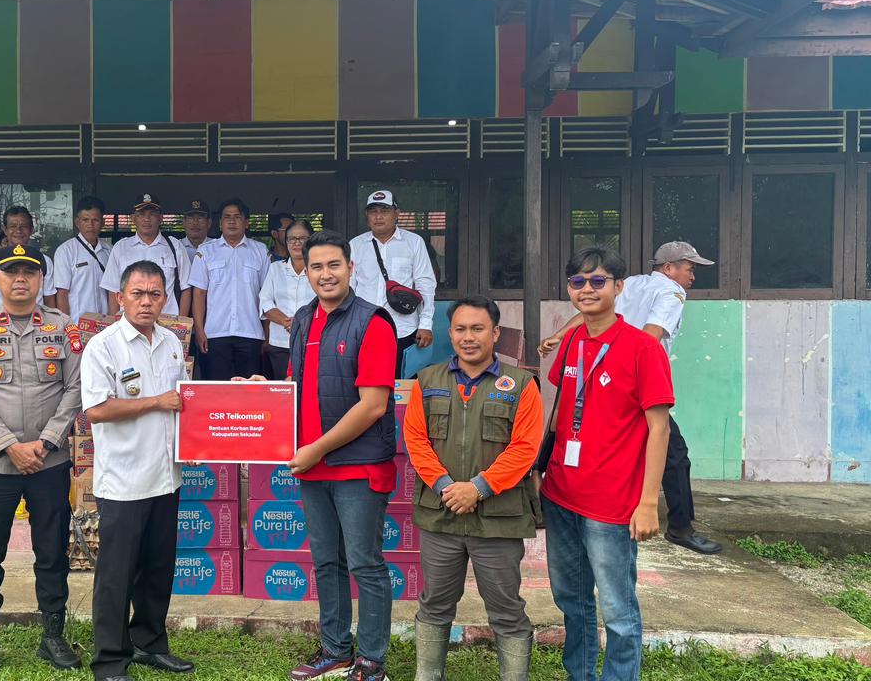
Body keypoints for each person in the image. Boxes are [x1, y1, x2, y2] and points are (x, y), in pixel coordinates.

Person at [541, 246, 673, 681]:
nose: (587, 289)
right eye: (578, 281)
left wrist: (648, 503)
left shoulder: (643, 348)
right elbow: (563, 407)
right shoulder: (572, 342)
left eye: (598, 281)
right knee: (571, 600)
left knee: (617, 609)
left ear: (619, 287)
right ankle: (579, 674)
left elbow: (659, 430)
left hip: (612, 505)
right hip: (561, 495)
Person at [538, 241, 720, 555]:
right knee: (673, 453)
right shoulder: (671, 292)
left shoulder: (631, 283)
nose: (692, 277)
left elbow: (592, 312)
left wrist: (558, 335)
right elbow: (650, 335)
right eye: (689, 269)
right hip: (632, 382)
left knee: (657, 446)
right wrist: (627, 365)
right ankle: (680, 527)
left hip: (607, 372)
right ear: (669, 268)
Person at [0, 244, 84, 679]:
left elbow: (76, 388)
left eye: (29, 272)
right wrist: (10, 445)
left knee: (52, 552)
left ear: (41, 279)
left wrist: (46, 442)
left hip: (49, 462)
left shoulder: (63, 328)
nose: (20, 279)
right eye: (11, 272)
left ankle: (53, 637)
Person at [402, 296, 542, 681]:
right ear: (450, 334)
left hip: (498, 520)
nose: (468, 337)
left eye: (478, 329)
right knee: (434, 606)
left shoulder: (521, 385)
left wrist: (478, 488)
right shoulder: (427, 381)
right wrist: (447, 487)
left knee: (506, 610)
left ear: (495, 333)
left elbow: (525, 448)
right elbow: (416, 440)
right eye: (460, 329)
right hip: (441, 515)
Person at [284, 230, 399, 681]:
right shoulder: (302, 319)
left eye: (334, 265)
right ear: (306, 272)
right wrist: (261, 393)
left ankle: (371, 660)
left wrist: (315, 449)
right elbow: (295, 384)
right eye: (316, 266)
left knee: (365, 563)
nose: (326, 274)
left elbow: (372, 406)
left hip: (357, 467)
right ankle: (335, 649)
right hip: (314, 467)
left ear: (351, 268)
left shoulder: (374, 322)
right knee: (326, 562)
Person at [82, 260, 195, 681]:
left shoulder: (170, 342)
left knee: (158, 568)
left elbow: (183, 402)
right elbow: (96, 409)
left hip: (166, 475)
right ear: (120, 297)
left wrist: (195, 442)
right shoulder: (104, 346)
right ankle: (110, 659)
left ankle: (149, 641)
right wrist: (155, 402)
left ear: (165, 299)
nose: (146, 301)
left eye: (154, 294)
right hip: (124, 481)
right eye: (137, 293)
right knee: (117, 575)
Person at [349, 190, 437, 379]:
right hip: (364, 329)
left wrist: (425, 324)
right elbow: (349, 287)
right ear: (367, 216)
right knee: (366, 381)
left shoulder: (414, 243)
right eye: (373, 211)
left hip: (403, 328)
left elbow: (425, 285)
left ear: (397, 213)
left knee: (400, 384)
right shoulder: (355, 245)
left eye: (384, 210)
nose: (378, 216)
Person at [190, 198, 270, 379]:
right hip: (215, 333)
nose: (232, 221)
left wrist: (267, 332)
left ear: (246, 222)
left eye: (237, 217)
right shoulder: (206, 251)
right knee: (216, 388)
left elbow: (267, 295)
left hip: (250, 333)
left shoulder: (260, 251)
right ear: (220, 223)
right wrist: (200, 330)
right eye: (227, 217)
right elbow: (199, 294)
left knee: (250, 390)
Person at [101, 194, 192, 318]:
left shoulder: (175, 247)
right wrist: (115, 321)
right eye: (141, 214)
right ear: (133, 218)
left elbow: (186, 289)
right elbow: (113, 289)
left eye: (152, 214)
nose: (147, 219)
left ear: (160, 218)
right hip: (130, 322)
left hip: (166, 322)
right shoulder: (121, 248)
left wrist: (180, 322)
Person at [258, 219, 315, 380]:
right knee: (284, 388)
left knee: (310, 385)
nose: (297, 243)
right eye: (292, 239)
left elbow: (325, 301)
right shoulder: (276, 268)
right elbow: (265, 301)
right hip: (280, 342)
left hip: (313, 340)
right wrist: (287, 322)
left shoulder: (318, 269)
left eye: (302, 238)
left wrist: (301, 323)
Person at [0, 205, 56, 310]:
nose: (18, 230)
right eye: (13, 226)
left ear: (31, 230)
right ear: (5, 230)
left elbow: (49, 299)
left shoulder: (44, 260)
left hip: (36, 319)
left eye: (23, 226)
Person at [53, 196, 112, 324]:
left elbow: (113, 291)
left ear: (102, 222)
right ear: (77, 222)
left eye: (95, 220)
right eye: (85, 220)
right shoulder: (65, 251)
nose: (90, 225)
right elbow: (62, 293)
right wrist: (68, 327)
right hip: (77, 324)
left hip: (105, 324)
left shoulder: (110, 250)